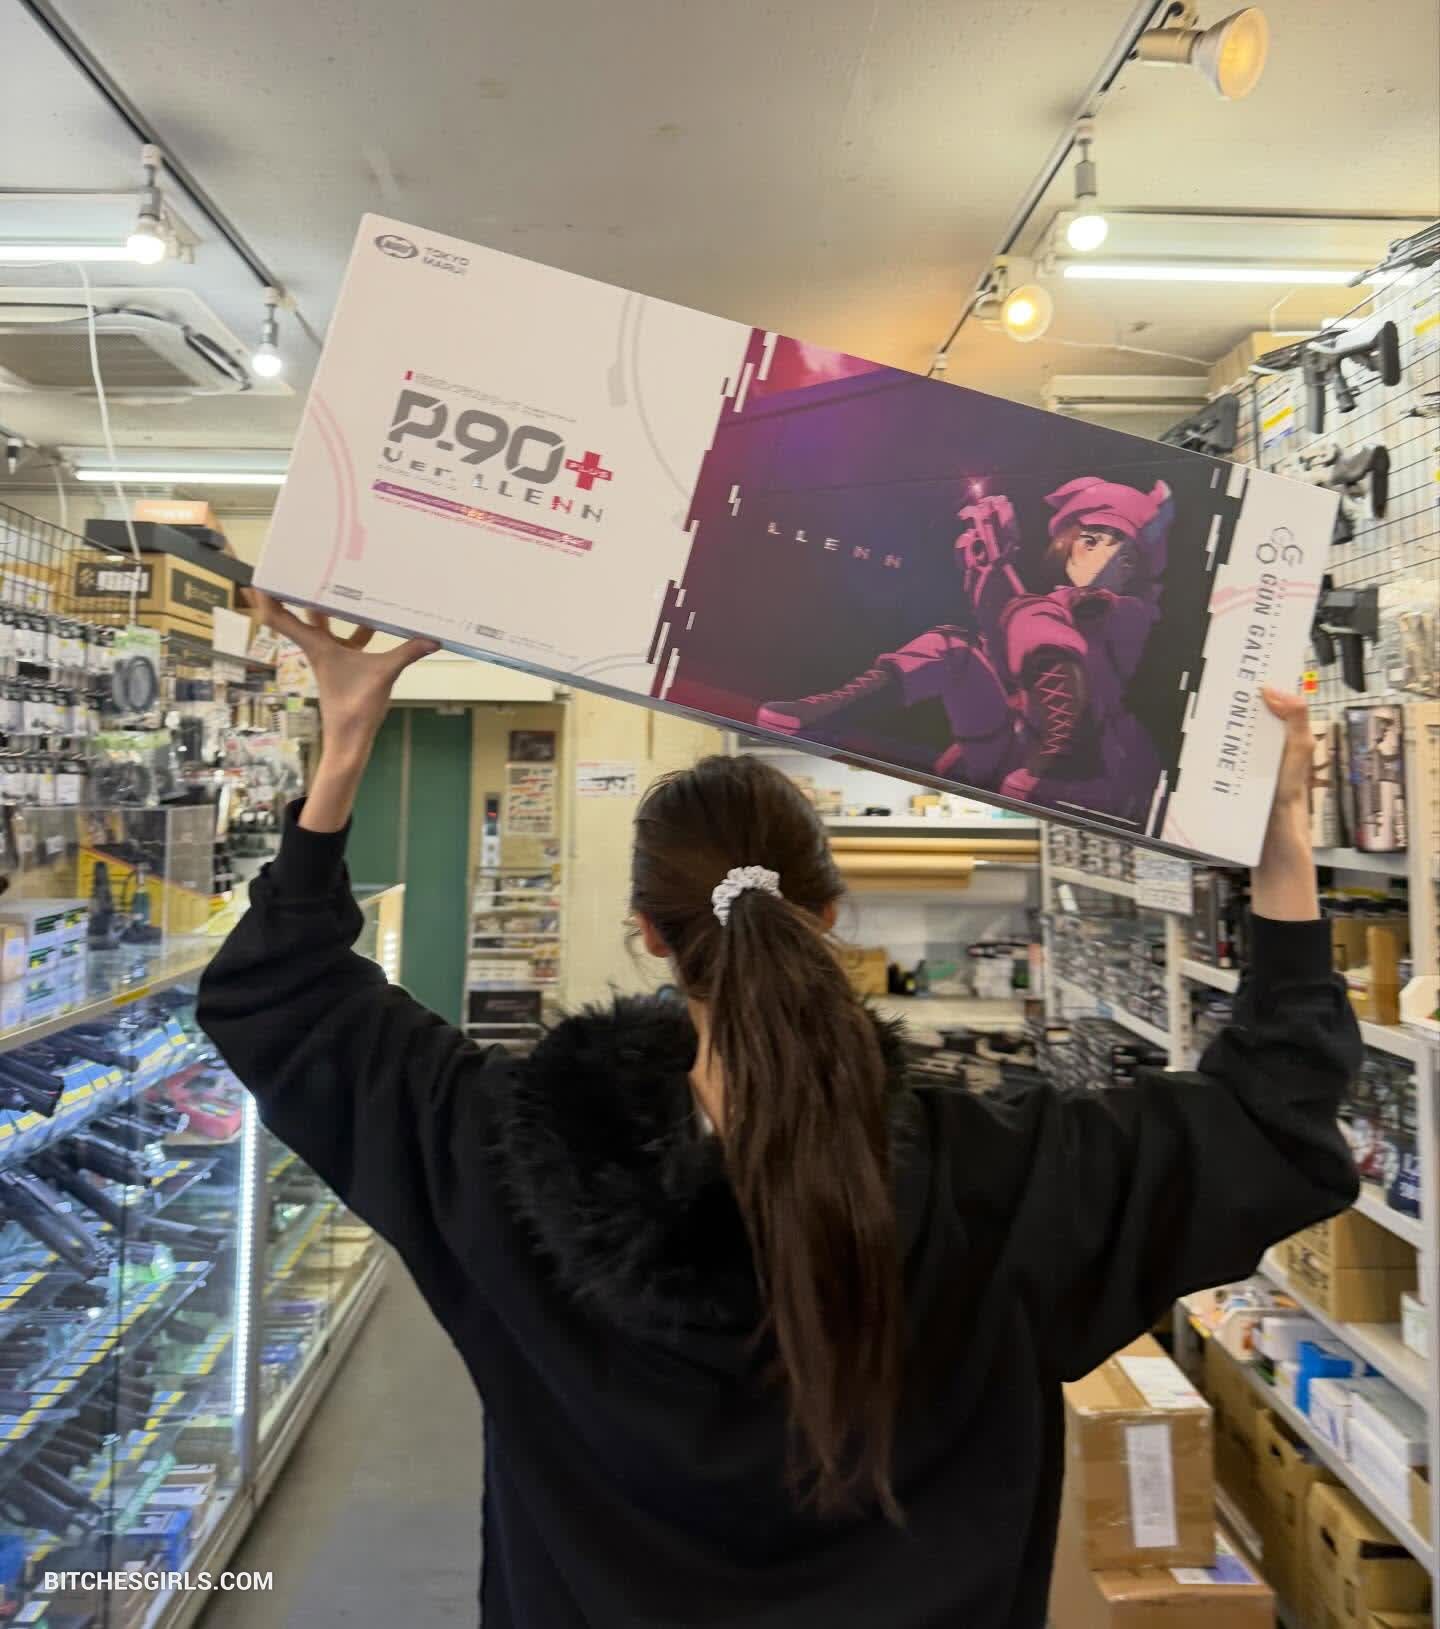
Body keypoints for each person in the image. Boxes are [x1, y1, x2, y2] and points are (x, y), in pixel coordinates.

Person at [198, 593, 1361, 1629]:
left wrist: (345, 741)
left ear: (648, 934)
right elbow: (1274, 1119)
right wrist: (1281, 847)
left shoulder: (511, 1159)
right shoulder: (999, 1178)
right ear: (829, 916)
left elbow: (278, 996)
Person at [756, 477, 1173, 820]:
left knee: (1032, 614)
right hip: (1017, 748)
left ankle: (1068, 757)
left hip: (1089, 768)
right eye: (1091, 540)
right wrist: (992, 566)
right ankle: (834, 713)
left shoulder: (1128, 613)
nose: (1103, 559)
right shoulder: (1050, 607)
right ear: (1067, 542)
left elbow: (1040, 626)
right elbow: (1011, 647)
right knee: (952, 646)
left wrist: (1003, 580)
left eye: (1125, 556)